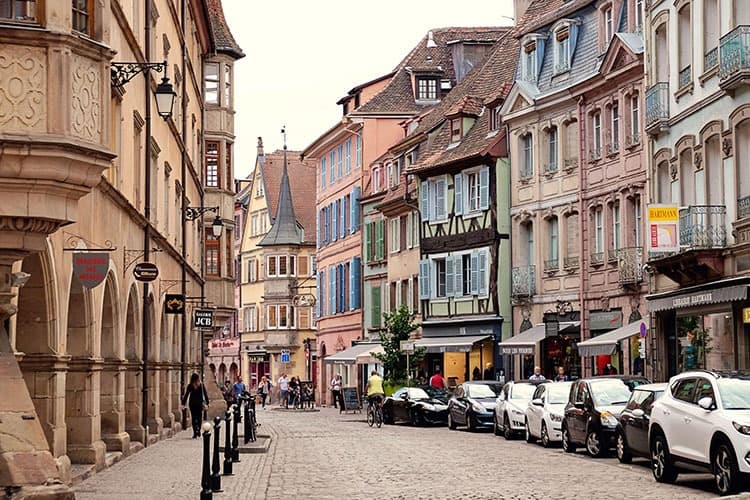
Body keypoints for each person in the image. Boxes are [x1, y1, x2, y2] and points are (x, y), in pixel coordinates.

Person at [181, 372, 208, 438]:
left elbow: (186, 395)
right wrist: (207, 403)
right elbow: (205, 394)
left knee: (193, 418)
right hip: (199, 404)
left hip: (192, 404)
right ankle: (198, 430)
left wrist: (183, 403)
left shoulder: (190, 386)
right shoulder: (201, 385)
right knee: (199, 417)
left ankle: (195, 432)